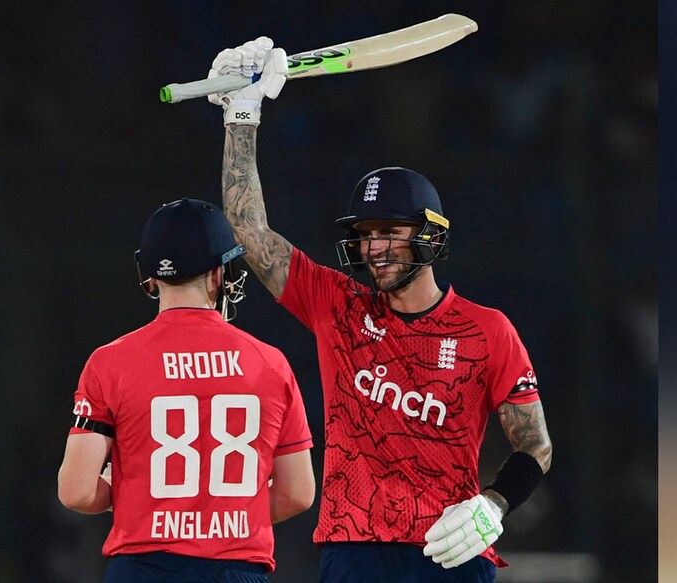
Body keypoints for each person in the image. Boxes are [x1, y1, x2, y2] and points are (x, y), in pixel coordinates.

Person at [206, 38, 554, 582]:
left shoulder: (488, 331)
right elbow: (248, 234)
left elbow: (535, 446)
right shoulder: (337, 305)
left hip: (450, 550)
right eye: (366, 236)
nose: (374, 248)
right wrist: (242, 117)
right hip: (354, 550)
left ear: (431, 237)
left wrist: (493, 506)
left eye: (391, 233)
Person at [57, 198, 316, 583]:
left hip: (143, 569)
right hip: (236, 568)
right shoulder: (269, 362)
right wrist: (226, 515)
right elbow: (298, 493)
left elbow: (76, 491)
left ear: (150, 278)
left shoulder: (109, 362)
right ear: (217, 275)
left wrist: (139, 503)